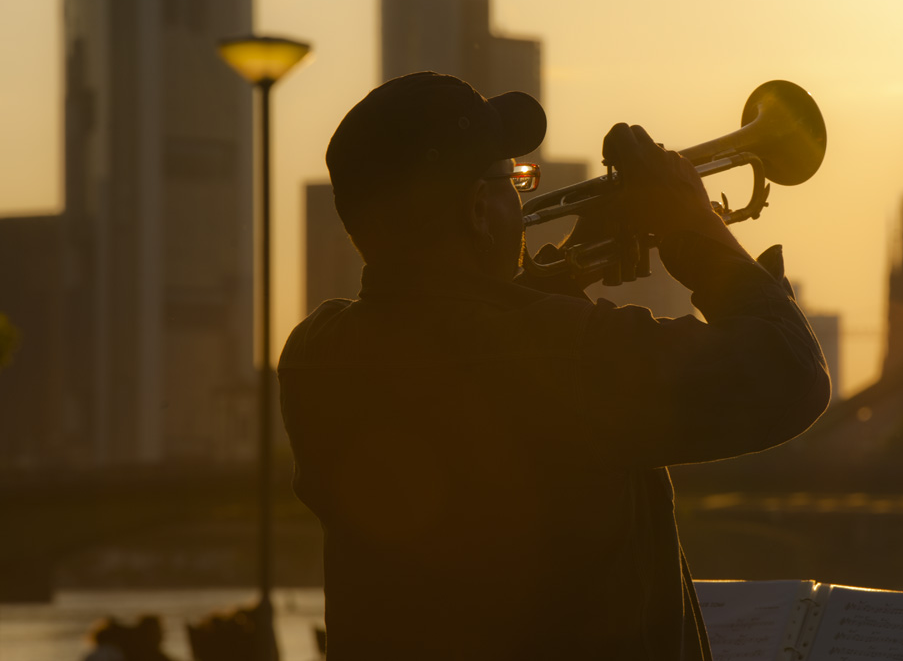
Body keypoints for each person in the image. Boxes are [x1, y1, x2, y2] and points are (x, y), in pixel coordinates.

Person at [278, 71, 830, 659]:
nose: (523, 198)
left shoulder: (315, 355)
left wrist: (565, 272)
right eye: (513, 181)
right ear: (477, 209)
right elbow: (789, 370)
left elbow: (477, 357)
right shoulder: (564, 354)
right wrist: (692, 226)